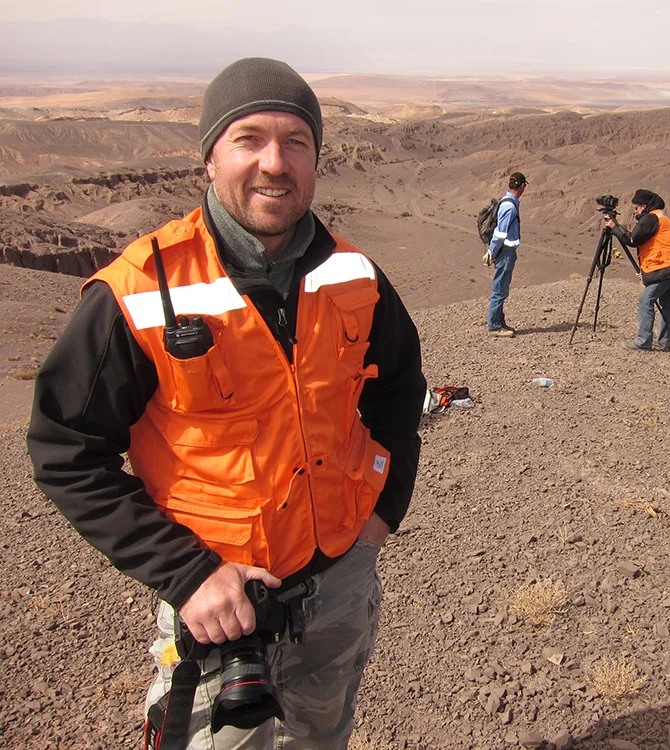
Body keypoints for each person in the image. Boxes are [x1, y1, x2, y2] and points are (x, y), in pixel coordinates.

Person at [26, 57, 426, 749]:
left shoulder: (354, 274)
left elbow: (398, 387)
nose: (275, 162)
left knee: (324, 732)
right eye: (249, 139)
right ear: (209, 158)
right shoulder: (138, 292)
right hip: (220, 601)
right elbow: (65, 451)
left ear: (316, 160)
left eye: (296, 142)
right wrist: (188, 576)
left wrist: (384, 507)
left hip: (339, 582)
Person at [604, 189, 670, 351]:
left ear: (644, 206)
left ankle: (643, 341)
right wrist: (646, 272)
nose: (635, 212)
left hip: (668, 266)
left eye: (636, 208)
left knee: (647, 300)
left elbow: (632, 240)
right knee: (668, 303)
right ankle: (667, 341)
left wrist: (614, 227)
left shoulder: (650, 218)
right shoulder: (660, 216)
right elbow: (657, 247)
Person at [484, 171, 528, 337]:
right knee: (500, 289)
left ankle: (500, 322)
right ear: (522, 186)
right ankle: (494, 326)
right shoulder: (510, 206)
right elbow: (500, 233)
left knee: (502, 287)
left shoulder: (506, 201)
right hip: (505, 252)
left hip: (504, 251)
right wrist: (492, 252)